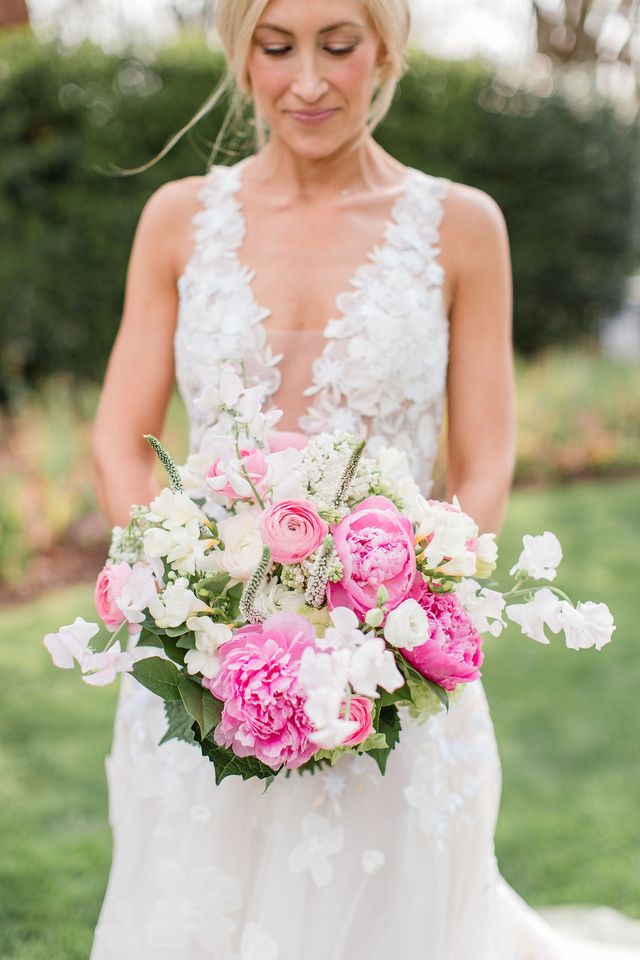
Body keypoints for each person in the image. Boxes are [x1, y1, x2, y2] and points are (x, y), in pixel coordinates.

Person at [89, 2, 640, 957]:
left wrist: (398, 620)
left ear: (384, 50)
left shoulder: (463, 228)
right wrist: (192, 615)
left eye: (338, 47)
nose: (308, 80)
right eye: (277, 47)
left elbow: (482, 460)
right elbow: (119, 443)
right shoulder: (176, 220)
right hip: (206, 675)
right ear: (241, 52)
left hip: (389, 670)